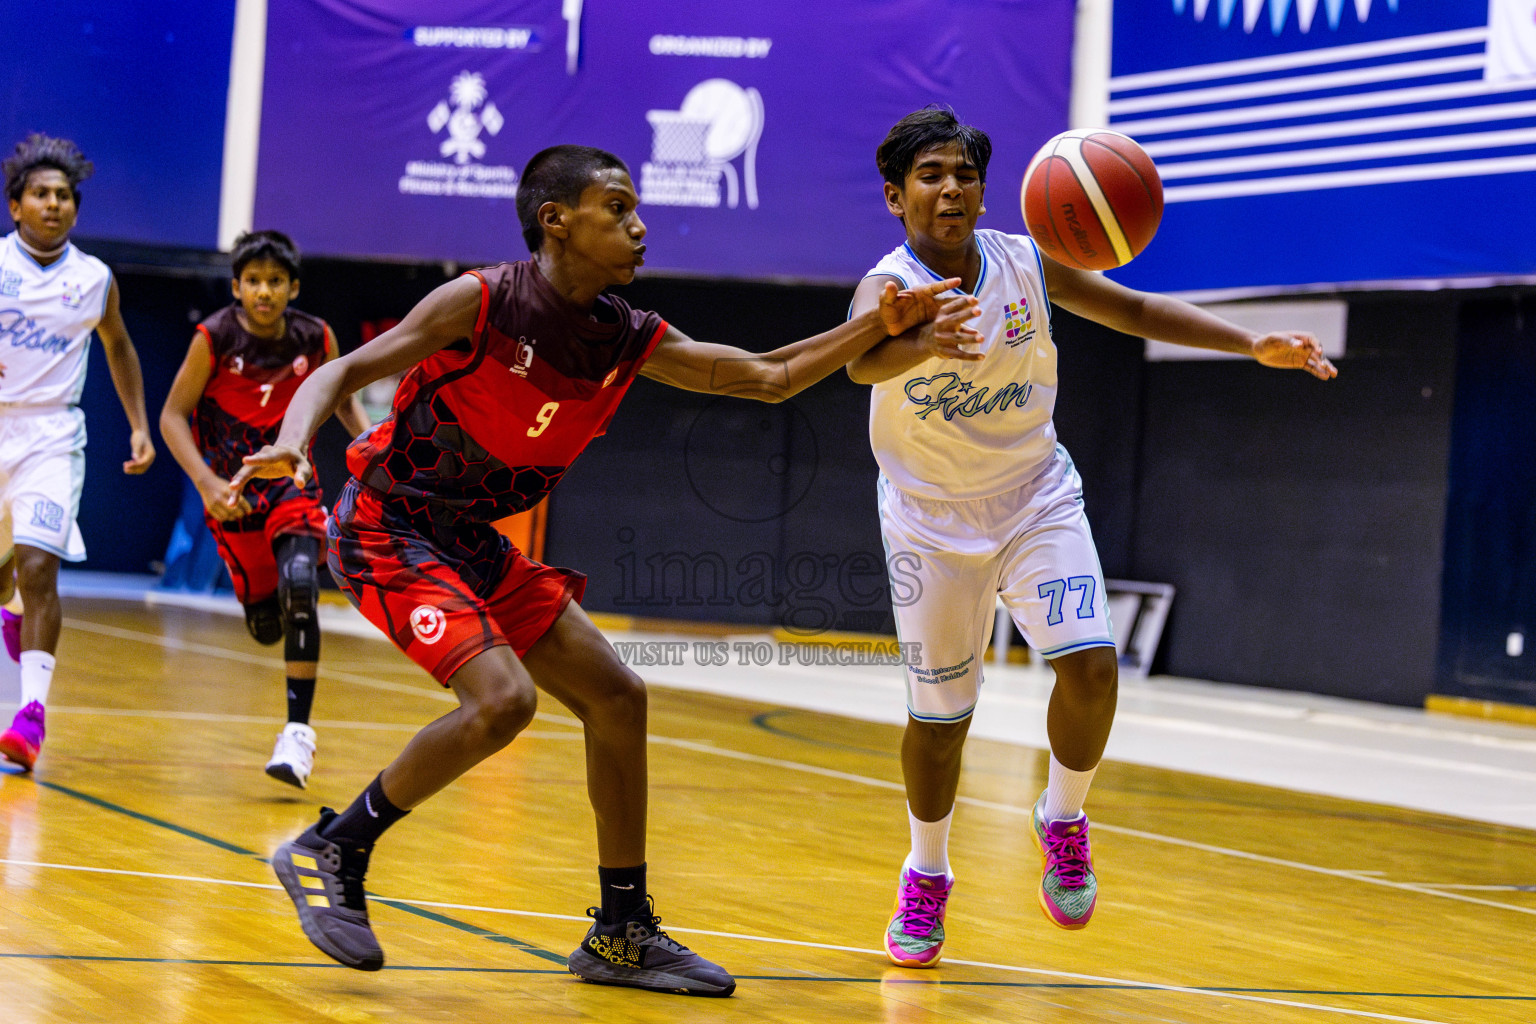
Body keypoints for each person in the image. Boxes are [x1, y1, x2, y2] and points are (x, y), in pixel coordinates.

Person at [230, 144, 977, 994]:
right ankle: (334, 848)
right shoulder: (482, 301)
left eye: (635, 209)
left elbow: (768, 377)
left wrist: (882, 325)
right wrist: (291, 443)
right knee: (504, 700)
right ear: (556, 221)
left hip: (470, 541)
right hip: (389, 527)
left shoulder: (626, 334)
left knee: (618, 698)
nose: (638, 224)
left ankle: (621, 931)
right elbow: (343, 368)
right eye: (617, 208)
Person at [848, 107, 1337, 968]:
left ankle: (1062, 816)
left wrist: (1250, 341)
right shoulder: (885, 288)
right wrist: (917, 336)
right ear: (896, 197)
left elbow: (1138, 306)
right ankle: (926, 876)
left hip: (1035, 498)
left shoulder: (1026, 262)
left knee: (1093, 666)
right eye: (930, 174)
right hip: (929, 524)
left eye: (963, 173)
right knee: (940, 722)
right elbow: (862, 364)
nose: (951, 187)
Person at [159, 230, 369, 787]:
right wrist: (206, 484)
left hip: (292, 485)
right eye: (253, 280)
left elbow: (343, 397)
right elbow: (173, 416)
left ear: (293, 287)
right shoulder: (214, 338)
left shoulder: (314, 336)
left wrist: (374, 449)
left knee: (302, 583)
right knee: (266, 625)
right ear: (236, 287)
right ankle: (261, 603)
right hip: (232, 496)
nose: (264, 291)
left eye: (276, 281)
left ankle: (297, 735)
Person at [0, 134, 156, 770]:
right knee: (7, 579)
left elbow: (118, 347)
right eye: (41, 194)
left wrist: (138, 425)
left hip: (52, 434)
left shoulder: (93, 278)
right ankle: (13, 617)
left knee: (39, 566)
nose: (54, 204)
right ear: (16, 206)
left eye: (64, 196)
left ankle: (31, 715)